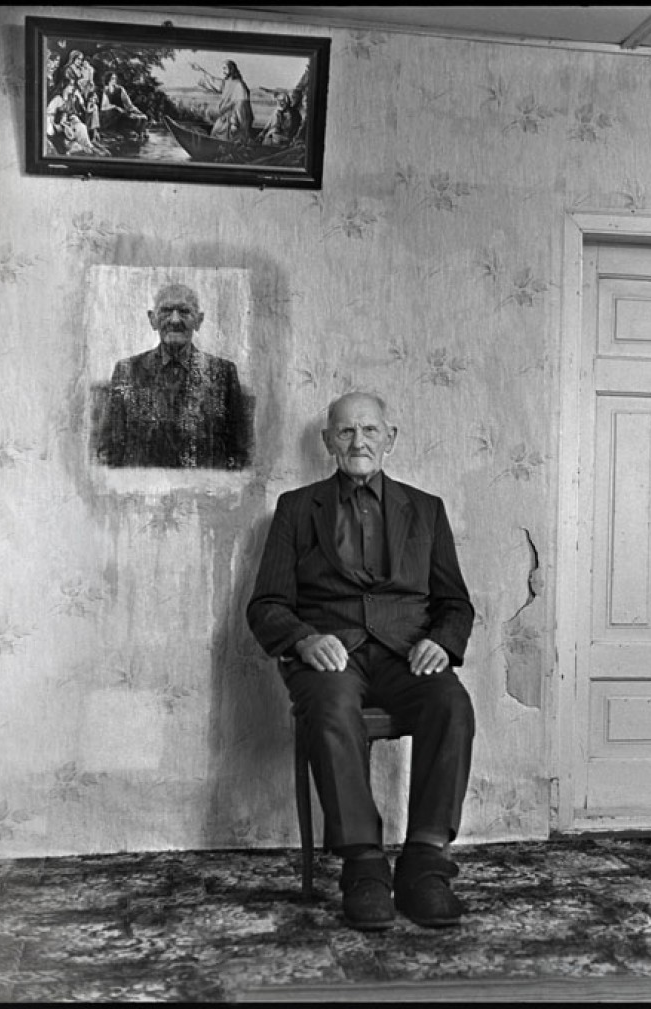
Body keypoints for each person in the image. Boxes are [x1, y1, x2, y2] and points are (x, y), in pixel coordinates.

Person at [246, 392, 476, 931]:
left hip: (406, 655)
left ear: (389, 439)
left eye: (370, 430)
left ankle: (425, 863)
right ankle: (364, 866)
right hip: (331, 655)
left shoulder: (427, 509)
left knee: (452, 704)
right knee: (329, 706)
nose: (358, 442)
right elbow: (267, 604)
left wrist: (441, 642)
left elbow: (455, 603)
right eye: (346, 431)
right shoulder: (296, 508)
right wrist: (303, 640)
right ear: (327, 440)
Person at [98, 283, 249, 469]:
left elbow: (239, 452)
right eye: (166, 311)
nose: (175, 320)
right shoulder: (127, 371)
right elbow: (108, 451)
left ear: (199, 320)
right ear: (152, 319)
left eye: (184, 311)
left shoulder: (223, 373)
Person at [196, 60, 254, 143]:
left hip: (233, 120)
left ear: (231, 69)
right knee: (215, 134)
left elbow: (240, 106)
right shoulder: (226, 83)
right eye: (222, 69)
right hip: (223, 118)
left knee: (227, 140)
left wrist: (234, 122)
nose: (223, 71)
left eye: (225, 68)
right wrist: (201, 70)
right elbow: (214, 82)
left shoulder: (239, 85)